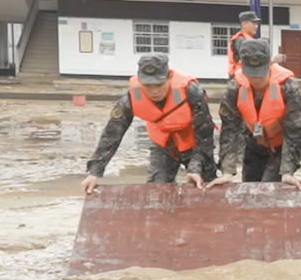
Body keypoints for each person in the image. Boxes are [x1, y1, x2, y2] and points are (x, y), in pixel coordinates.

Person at [82, 53, 216, 193]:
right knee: (156, 190)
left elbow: (205, 134)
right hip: (164, 144)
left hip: (194, 144)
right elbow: (112, 133)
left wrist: (195, 167)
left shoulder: (191, 91)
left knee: (205, 187)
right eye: (148, 85)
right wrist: (94, 172)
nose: (154, 91)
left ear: (169, 77)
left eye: (159, 84)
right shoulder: (131, 98)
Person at [211, 38, 301, 188]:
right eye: (251, 73)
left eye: (260, 73)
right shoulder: (235, 88)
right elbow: (229, 130)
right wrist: (227, 171)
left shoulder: (289, 87)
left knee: (268, 187)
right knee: (250, 187)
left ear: (270, 64)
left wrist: (287, 170)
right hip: (254, 144)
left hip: (281, 146)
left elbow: (295, 132)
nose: (256, 79)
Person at [227, 11, 260, 77]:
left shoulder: (247, 39)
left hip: (247, 75)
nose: (256, 26)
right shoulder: (240, 40)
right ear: (244, 24)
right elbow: (246, 59)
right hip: (240, 77)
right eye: (253, 23)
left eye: (257, 24)